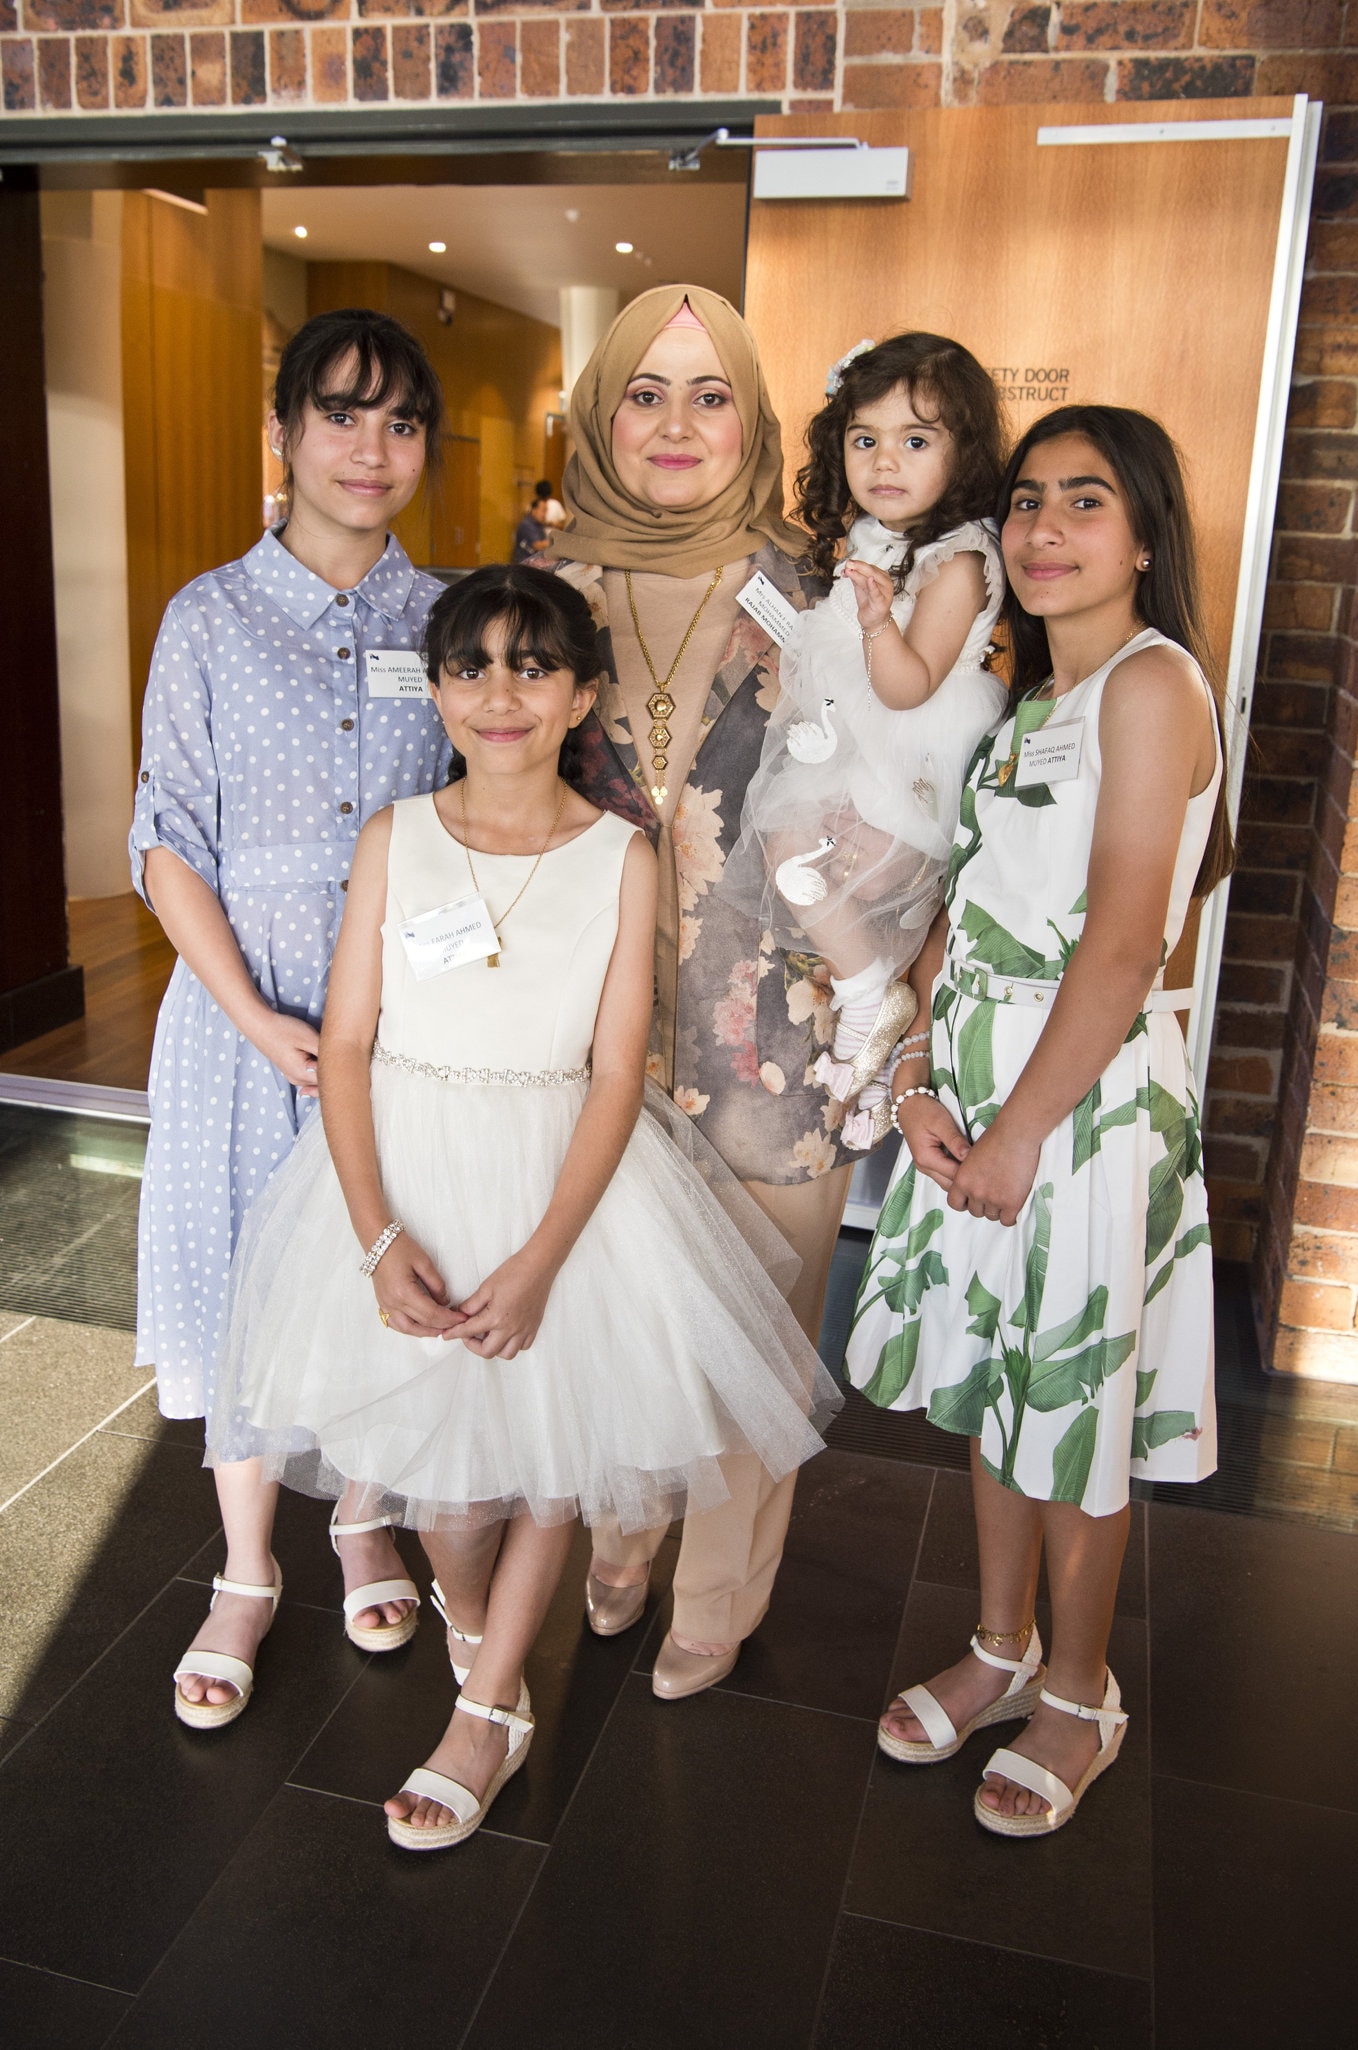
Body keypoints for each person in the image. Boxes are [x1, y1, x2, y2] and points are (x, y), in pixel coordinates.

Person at [206, 566, 839, 1849]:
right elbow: (345, 1047)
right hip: (407, 1174)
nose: (500, 693)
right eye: (472, 666)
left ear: (582, 696)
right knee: (441, 1482)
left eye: (532, 666)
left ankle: (488, 1711)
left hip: (566, 1183)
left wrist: (550, 1255)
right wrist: (378, 1238)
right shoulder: (396, 836)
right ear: (437, 687)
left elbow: (617, 1069)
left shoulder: (621, 854)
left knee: (549, 1457)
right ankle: (480, 1633)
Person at [845, 405, 1228, 1835]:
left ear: (1142, 536)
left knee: (1071, 1409)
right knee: (997, 1386)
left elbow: (1123, 943)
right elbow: (963, 923)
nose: (1042, 530)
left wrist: (1014, 1133)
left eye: (1084, 502)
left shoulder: (1149, 684)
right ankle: (999, 1644)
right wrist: (916, 1083)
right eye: (1023, 503)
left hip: (1082, 1111)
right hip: (982, 1102)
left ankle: (1079, 1689)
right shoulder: (1026, 706)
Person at [131, 308, 454, 1728]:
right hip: (242, 1012)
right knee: (240, 1283)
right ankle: (248, 1567)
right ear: (283, 431)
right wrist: (263, 1025)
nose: (370, 449)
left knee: (383, 1265)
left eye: (399, 423)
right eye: (341, 414)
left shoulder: (452, 618)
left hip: (406, 1017)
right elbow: (165, 840)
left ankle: (363, 1513)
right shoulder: (207, 615)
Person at [548, 284, 858, 1699]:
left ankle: (720, 1582)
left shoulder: (826, 598)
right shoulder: (540, 592)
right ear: (600, 410)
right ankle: (622, 1525)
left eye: (709, 393)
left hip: (768, 1038)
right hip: (586, 1038)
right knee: (617, 1315)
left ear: (753, 414)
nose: (676, 425)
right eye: (645, 392)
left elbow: (891, 812)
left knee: (753, 1329)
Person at [721, 332, 1007, 1149]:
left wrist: (880, 621)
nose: (886, 461)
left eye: (916, 441)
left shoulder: (960, 557)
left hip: (912, 747)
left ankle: (873, 1009)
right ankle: (876, 1024)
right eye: (865, 439)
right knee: (790, 847)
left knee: (849, 879)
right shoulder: (876, 537)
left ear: (966, 453)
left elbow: (907, 684)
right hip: (855, 742)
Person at [513, 493, 551, 564]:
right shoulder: (526, 524)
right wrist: (556, 543)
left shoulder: (538, 524)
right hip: (523, 564)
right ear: (534, 510)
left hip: (534, 562)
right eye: (543, 511)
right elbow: (537, 545)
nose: (545, 514)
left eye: (546, 511)